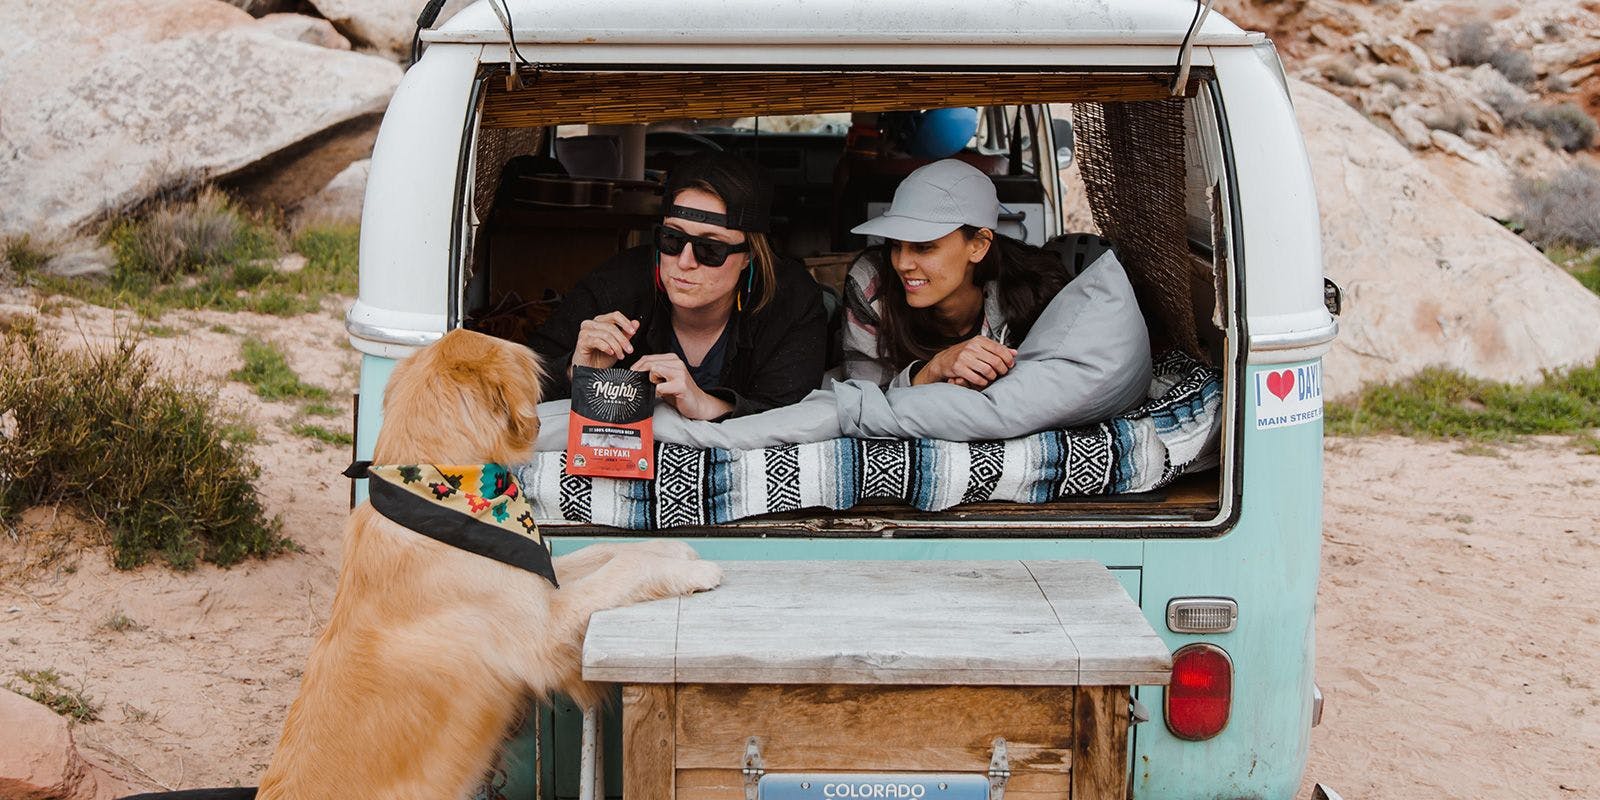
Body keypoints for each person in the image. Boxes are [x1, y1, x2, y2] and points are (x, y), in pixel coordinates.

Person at [530, 152, 826, 420]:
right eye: (672, 239)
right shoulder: (616, 286)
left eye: (710, 249)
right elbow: (513, 385)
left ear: (748, 256)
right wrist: (574, 371)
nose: (684, 261)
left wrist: (708, 405)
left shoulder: (791, 302)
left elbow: (796, 418)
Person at [841, 158, 1142, 390]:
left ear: (979, 245)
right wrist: (932, 371)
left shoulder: (1035, 290)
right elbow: (865, 399)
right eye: (895, 245)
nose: (902, 263)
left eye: (923, 247)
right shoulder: (871, 286)